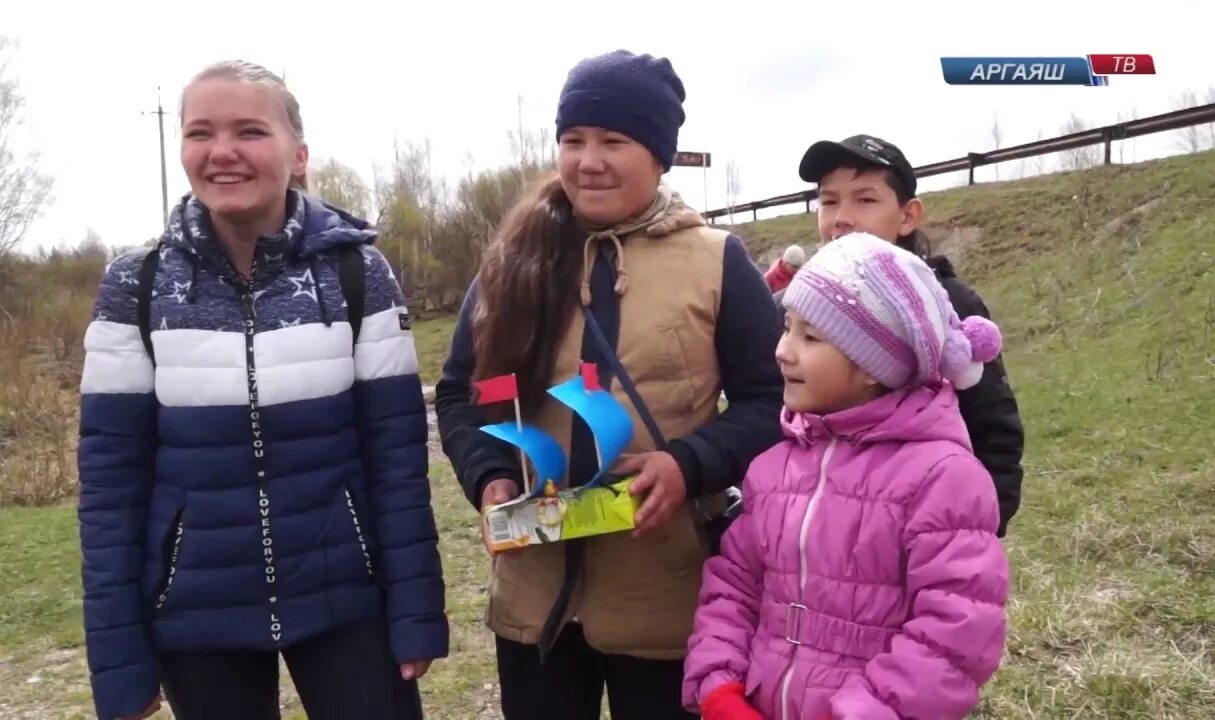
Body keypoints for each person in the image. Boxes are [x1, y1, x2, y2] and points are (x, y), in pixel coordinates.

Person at [77, 60, 447, 720]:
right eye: (200, 133)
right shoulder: (135, 287)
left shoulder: (358, 273)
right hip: (197, 620)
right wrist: (119, 660)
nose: (222, 152)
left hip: (348, 605)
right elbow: (110, 489)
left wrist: (416, 613)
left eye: (249, 130)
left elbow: (397, 465)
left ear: (298, 153)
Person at [434, 49, 784, 720]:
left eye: (612, 141)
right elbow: (461, 393)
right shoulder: (511, 261)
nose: (587, 160)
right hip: (536, 601)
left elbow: (772, 403)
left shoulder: (717, 262)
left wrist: (688, 465)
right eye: (573, 140)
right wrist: (490, 477)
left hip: (669, 596)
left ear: (658, 156)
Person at [683, 232, 1011, 720]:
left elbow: (953, 634)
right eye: (787, 327)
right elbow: (733, 589)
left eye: (811, 337)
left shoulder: (942, 479)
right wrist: (720, 686)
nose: (783, 351)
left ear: (877, 364)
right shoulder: (774, 466)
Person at [777, 133, 1025, 536]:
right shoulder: (800, 309)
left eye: (865, 199)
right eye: (829, 200)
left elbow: (994, 435)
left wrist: (969, 535)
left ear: (908, 215)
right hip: (818, 543)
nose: (841, 216)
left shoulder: (950, 307)